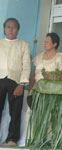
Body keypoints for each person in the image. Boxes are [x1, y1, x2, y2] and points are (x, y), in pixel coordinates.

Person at [0, 18, 31, 146]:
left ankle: (12, 139)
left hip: (16, 81)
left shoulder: (24, 45)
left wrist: (22, 84)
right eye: (8, 27)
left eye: (14, 27)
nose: (11, 29)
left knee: (15, 111)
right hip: (0, 79)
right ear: (4, 29)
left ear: (18, 30)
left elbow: (27, 66)